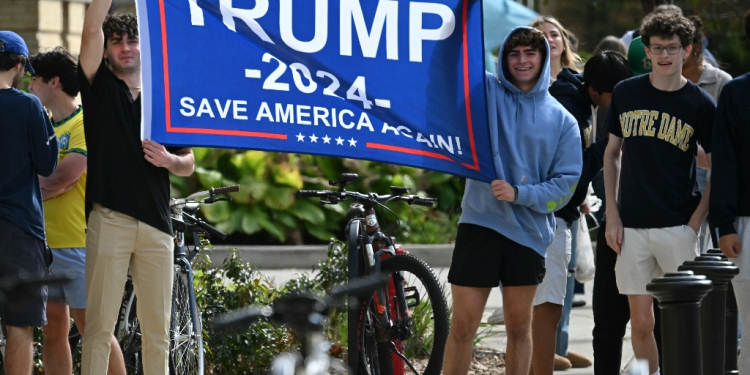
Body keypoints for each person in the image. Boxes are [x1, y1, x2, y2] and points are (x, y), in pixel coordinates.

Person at [442, 26, 582, 375]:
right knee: (462, 326)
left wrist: (521, 194)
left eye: (530, 54)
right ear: (504, 57)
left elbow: (565, 187)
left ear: (544, 57)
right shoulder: (486, 91)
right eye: (514, 53)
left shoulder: (563, 120)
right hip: (480, 223)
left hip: (528, 233)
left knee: (520, 328)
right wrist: (458, 18)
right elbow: (452, 62)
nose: (522, 61)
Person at [78, 1, 195, 373]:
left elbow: (188, 162)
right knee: (98, 327)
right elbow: (89, 28)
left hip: (158, 227)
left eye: (132, 40)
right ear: (107, 48)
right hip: (109, 220)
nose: (125, 47)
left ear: (146, 46)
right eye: (116, 41)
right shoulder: (98, 85)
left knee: (159, 330)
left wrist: (170, 161)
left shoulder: (164, 95)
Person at [604, 11, 716, 375]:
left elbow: (719, 165)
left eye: (671, 47)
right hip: (632, 225)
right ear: (646, 52)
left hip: (677, 224)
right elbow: (611, 154)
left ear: (687, 50)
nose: (664, 55)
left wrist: (696, 222)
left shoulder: (699, 104)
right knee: (641, 322)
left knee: (684, 320)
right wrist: (613, 215)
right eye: (656, 48)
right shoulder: (626, 92)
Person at [28, 47, 127, 375]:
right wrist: (48, 185)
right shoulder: (43, 125)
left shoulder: (86, 121)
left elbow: (63, 177)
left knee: (93, 330)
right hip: (44, 243)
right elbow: (54, 183)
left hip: (79, 242)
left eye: (35, 79)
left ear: (54, 82)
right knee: (53, 330)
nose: (29, 85)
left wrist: (31, 187)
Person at [0, 30, 58, 375]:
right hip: (19, 230)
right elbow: (48, 164)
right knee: (19, 326)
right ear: (20, 65)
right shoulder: (28, 105)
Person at [709, 9, 750, 373]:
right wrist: (724, 226)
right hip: (745, 225)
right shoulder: (735, 93)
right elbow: (725, 164)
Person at [681, 15, 732, 252]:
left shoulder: (721, 82)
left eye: (681, 46)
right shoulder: (665, 81)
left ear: (696, 47)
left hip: (712, 175)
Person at [530, 16, 583, 82]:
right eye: (542, 36)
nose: (549, 39)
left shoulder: (580, 80)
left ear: (564, 44)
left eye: (554, 35)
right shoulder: (526, 83)